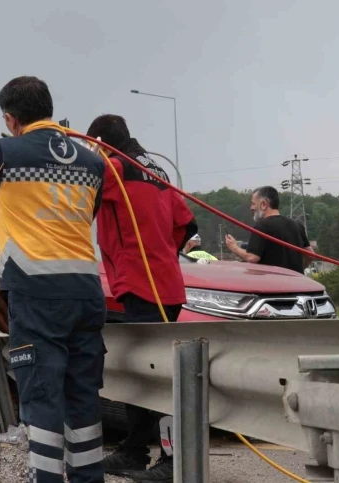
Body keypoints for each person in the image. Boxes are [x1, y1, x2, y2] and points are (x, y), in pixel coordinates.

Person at [0, 76, 107, 483]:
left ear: (11, 119)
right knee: (82, 393)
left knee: (43, 391)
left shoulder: (6, 150)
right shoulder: (93, 161)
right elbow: (90, 212)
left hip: (35, 289)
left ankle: (45, 478)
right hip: (85, 289)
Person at [86, 114, 198, 483]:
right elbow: (187, 224)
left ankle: (170, 459)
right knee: (155, 371)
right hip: (167, 283)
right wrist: (163, 250)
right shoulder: (158, 171)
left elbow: (81, 199)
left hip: (140, 283)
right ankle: (135, 450)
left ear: (102, 143)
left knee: (152, 376)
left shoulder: (115, 168)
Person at [225, 186, 314, 273]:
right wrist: (299, 271)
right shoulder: (297, 225)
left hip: (273, 284)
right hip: (297, 284)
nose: (251, 208)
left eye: (253, 204)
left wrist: (234, 247)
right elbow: (310, 255)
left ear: (264, 204)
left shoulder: (262, 226)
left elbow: (252, 257)